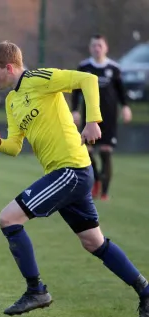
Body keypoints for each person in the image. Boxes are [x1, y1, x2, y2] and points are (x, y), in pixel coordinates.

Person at [0, 41, 149, 317]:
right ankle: (146, 292)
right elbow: (15, 146)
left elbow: (88, 79)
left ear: (8, 67)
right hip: (68, 174)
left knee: (8, 219)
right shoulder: (12, 100)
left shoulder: (40, 79)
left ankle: (36, 290)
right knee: (93, 242)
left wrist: (92, 120)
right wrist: (0, 143)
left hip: (71, 169)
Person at [71, 34, 131, 201]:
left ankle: (104, 192)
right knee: (87, 152)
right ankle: (95, 180)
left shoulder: (114, 68)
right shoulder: (84, 67)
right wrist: (74, 110)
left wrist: (125, 107)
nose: (97, 48)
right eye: (94, 46)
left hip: (109, 117)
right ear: (90, 48)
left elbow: (121, 91)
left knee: (106, 152)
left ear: (106, 48)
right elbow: (76, 91)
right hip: (90, 117)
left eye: (100, 45)